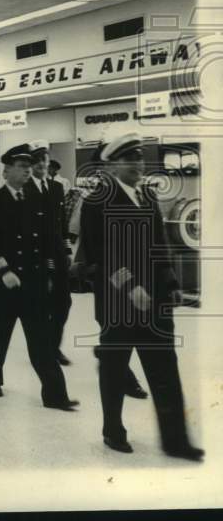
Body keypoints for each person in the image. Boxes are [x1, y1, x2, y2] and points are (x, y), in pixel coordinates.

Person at [80, 132, 203, 460]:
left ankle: (176, 440)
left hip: (157, 302)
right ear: (112, 164)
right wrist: (130, 285)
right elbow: (100, 253)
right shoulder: (97, 201)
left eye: (139, 157)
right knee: (115, 367)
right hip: (119, 302)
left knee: (165, 368)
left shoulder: (148, 195)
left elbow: (160, 243)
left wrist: (172, 281)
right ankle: (112, 430)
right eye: (129, 158)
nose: (137, 163)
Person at [0, 144, 78, 411]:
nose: (26, 172)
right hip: (5, 284)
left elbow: (46, 240)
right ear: (7, 169)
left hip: (32, 283)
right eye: (21, 167)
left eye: (28, 167)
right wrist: (3, 271)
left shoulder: (35, 200)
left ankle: (56, 395)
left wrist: (46, 273)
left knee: (42, 341)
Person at [25, 140, 73, 365]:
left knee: (64, 303)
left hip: (58, 255)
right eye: (37, 161)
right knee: (41, 304)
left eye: (44, 160)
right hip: (36, 257)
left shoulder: (56, 188)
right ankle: (44, 349)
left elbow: (61, 223)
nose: (41, 164)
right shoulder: (24, 189)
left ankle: (53, 345)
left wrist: (67, 249)